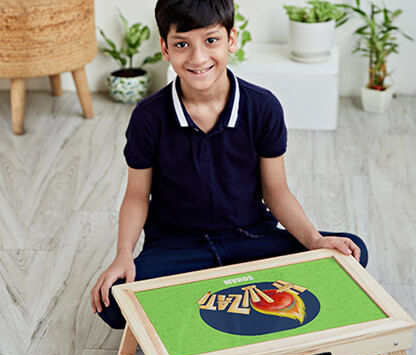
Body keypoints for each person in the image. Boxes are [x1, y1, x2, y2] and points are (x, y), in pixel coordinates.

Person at [90, 0, 369, 330]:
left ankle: (210, 300)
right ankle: (240, 298)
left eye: (211, 40)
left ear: (231, 40)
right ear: (165, 48)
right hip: (178, 247)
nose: (198, 58)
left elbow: (276, 191)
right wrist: (123, 255)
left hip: (250, 237)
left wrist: (314, 240)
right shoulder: (148, 117)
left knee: (352, 251)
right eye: (182, 44)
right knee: (112, 302)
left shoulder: (263, 107)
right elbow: (137, 195)